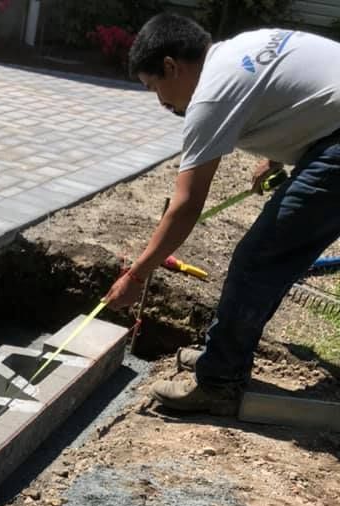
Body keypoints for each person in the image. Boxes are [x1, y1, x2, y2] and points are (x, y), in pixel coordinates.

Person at [104, 13, 340, 414]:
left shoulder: (210, 97)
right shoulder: (238, 49)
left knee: (257, 259)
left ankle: (219, 382)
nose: (161, 102)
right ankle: (223, 357)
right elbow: (295, 91)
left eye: (154, 87)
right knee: (268, 254)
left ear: (171, 66)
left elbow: (186, 206)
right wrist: (275, 159)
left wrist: (137, 274)